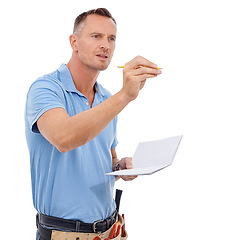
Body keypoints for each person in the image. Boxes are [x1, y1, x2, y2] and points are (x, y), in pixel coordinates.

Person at [25, 8, 162, 240]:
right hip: (64, 234)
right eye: (96, 36)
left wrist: (122, 168)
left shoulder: (106, 99)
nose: (105, 45)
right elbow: (64, 138)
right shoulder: (45, 89)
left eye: (111, 39)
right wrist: (125, 96)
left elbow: (109, 160)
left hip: (110, 230)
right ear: (74, 42)